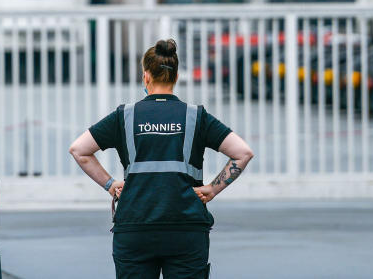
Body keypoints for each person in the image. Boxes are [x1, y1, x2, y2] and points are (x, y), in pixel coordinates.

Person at [69, 39, 253, 278]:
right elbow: (243, 153)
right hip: (186, 228)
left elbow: (79, 150)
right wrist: (212, 189)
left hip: (135, 227)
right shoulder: (196, 116)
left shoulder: (124, 115)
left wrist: (110, 184)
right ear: (176, 77)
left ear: (146, 76)